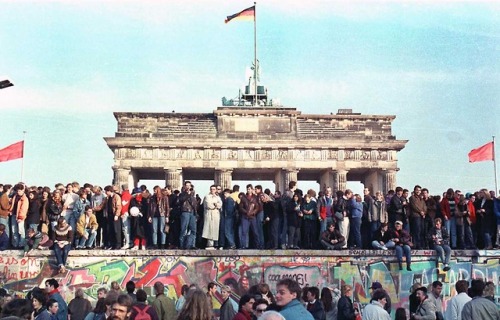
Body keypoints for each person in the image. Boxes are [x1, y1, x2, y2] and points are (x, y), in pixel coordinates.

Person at [178, 181, 198, 249]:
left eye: (189, 185)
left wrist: (196, 213)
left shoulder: (193, 195)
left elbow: (195, 205)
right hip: (185, 211)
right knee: (184, 228)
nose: (188, 187)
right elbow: (180, 201)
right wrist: (187, 194)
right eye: (187, 185)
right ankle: (182, 244)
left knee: (193, 229)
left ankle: (192, 244)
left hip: (192, 212)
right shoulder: (182, 194)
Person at [202, 185, 223, 249]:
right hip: (209, 214)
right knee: (209, 229)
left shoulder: (218, 197)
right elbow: (209, 205)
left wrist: (216, 204)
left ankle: (214, 244)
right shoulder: (207, 196)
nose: (212, 190)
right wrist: (215, 205)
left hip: (216, 215)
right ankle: (209, 244)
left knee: (215, 229)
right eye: (211, 189)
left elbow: (220, 205)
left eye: (214, 189)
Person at [104, 185, 123, 250]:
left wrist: (117, 215)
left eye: (106, 191)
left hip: (115, 215)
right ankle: (112, 245)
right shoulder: (107, 198)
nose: (105, 193)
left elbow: (119, 206)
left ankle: (118, 245)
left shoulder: (116, 197)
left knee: (116, 230)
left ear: (109, 191)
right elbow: (101, 205)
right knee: (110, 230)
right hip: (109, 215)